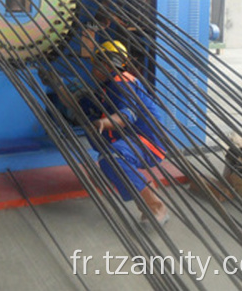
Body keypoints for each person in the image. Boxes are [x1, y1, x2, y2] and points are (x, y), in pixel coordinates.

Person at [43, 40, 169, 225]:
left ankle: (155, 206)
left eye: (96, 62)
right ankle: (128, 177)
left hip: (147, 142)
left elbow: (127, 115)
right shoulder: (105, 89)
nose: (93, 67)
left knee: (112, 157)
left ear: (107, 63)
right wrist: (56, 85)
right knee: (104, 153)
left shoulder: (122, 82)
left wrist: (104, 122)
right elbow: (76, 104)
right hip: (129, 138)